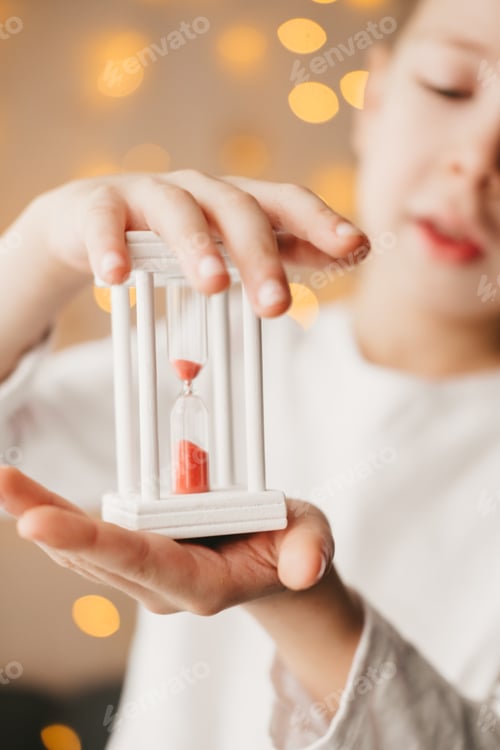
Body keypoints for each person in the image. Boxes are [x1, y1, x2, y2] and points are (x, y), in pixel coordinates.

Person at [1, 0, 500, 747]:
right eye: (450, 87)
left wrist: (308, 605)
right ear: (374, 97)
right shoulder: (232, 361)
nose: (477, 159)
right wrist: (40, 249)